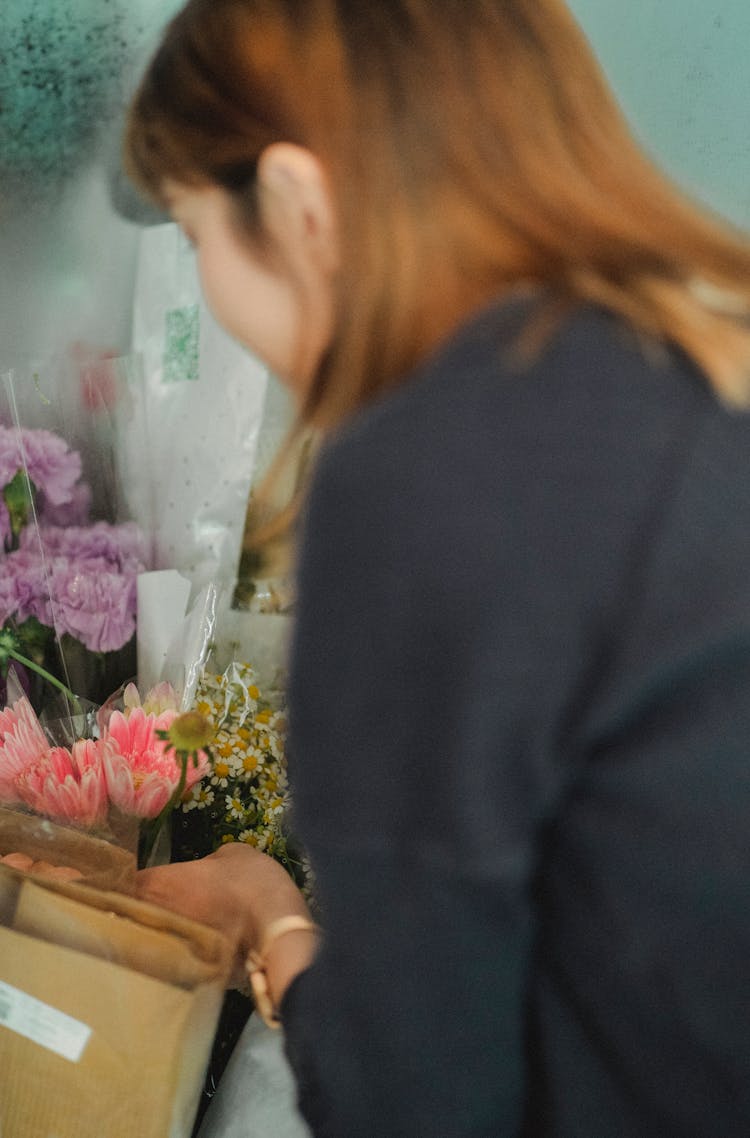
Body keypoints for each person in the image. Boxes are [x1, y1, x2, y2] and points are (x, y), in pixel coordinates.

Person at [126, 2, 750, 1134]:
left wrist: (278, 927)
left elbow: (417, 1101)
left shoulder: (438, 463)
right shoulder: (693, 384)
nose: (205, 286)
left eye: (190, 230)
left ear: (297, 204)